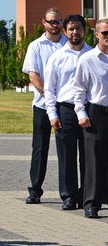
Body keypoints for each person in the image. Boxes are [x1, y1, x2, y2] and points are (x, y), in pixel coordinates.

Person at [43, 13, 91, 210]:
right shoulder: (57, 58)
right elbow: (49, 88)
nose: (74, 32)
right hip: (66, 111)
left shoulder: (92, 55)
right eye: (71, 29)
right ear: (65, 31)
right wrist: (52, 114)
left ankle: (87, 195)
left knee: (88, 156)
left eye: (78, 28)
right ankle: (69, 196)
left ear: (84, 31)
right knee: (67, 156)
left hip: (89, 111)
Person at [21, 8, 67, 204]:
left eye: (58, 21)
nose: (55, 25)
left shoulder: (70, 45)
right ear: (44, 23)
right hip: (42, 106)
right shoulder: (35, 46)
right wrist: (50, 99)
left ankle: (68, 193)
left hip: (65, 106)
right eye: (51, 21)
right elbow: (34, 77)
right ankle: (35, 190)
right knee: (40, 148)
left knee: (66, 149)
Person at [75, 18, 108, 218]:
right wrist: (81, 113)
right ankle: (91, 204)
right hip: (97, 113)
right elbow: (79, 89)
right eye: (105, 33)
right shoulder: (88, 59)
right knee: (94, 160)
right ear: (96, 35)